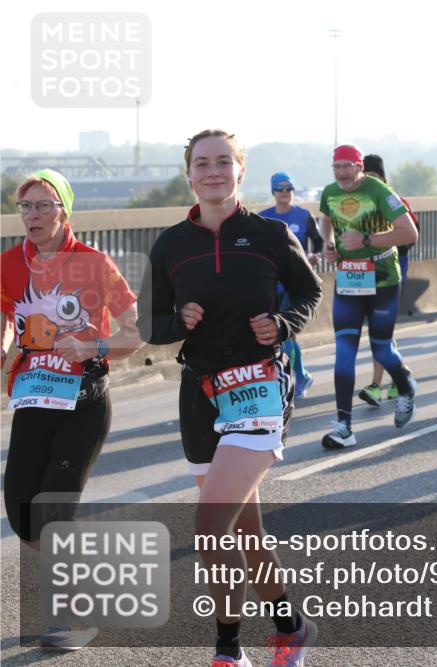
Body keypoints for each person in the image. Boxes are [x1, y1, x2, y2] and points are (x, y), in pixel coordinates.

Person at [139, 129, 324, 666]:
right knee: (246, 532)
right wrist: (178, 321)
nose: (213, 171)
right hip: (199, 394)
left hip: (258, 388)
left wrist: (284, 324)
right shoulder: (171, 243)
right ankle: (292, 627)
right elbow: (148, 323)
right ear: (189, 173)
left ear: (240, 171)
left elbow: (310, 290)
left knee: (209, 525)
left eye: (224, 161)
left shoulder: (268, 233)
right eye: (202, 163)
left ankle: (227, 650)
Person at [2, 169, 140, 651]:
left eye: (44, 206)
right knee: (21, 512)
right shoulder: (8, 264)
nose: (34, 216)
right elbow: (3, 322)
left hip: (83, 403)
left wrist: (95, 347)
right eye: (26, 207)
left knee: (54, 510)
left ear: (65, 211)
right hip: (32, 401)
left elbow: (134, 331)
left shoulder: (96, 263)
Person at [318, 144, 419, 444]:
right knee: (344, 351)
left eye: (347, 166)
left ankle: (405, 385)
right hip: (348, 277)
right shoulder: (329, 192)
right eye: (336, 167)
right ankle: (343, 426)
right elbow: (325, 219)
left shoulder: (377, 190)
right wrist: (329, 244)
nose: (342, 173)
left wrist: (367, 238)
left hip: (382, 276)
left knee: (381, 349)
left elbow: (409, 233)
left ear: (360, 166)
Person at [357, 154, 421, 406]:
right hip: (362, 275)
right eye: (366, 176)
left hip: (390, 274)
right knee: (378, 332)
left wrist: (383, 243)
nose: (371, 181)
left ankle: (376, 385)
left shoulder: (395, 200)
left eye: (375, 176)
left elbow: (412, 236)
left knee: (379, 331)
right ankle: (398, 376)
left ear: (383, 178)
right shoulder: (353, 202)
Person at [259, 172, 323, 397]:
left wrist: (313, 256)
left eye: (288, 188)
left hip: (295, 283)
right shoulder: (263, 217)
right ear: (273, 192)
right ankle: (299, 375)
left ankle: (293, 378)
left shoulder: (304, 215)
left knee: (287, 333)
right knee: (273, 335)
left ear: (293, 191)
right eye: (279, 189)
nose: (284, 193)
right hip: (270, 285)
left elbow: (319, 242)